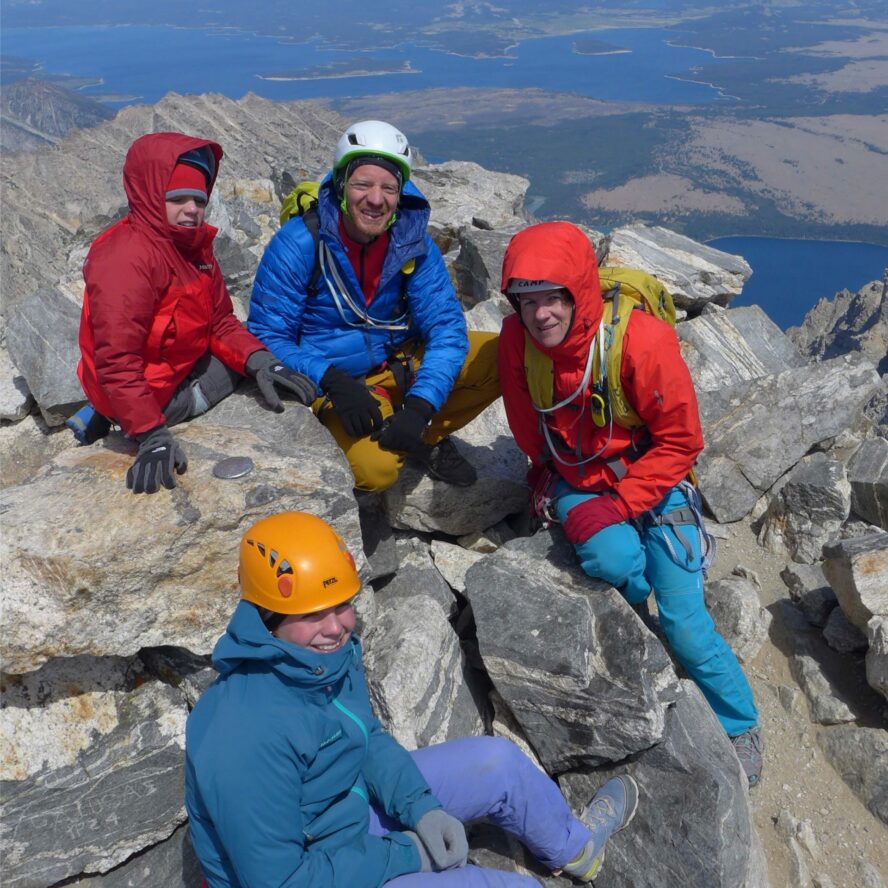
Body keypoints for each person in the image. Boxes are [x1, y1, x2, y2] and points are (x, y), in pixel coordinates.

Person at [185, 511, 640, 887]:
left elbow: (367, 740)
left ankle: (576, 851)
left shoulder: (318, 660)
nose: (336, 627)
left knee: (498, 764)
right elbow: (280, 882)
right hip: (311, 869)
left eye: (342, 604)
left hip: (344, 814)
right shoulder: (242, 731)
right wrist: (405, 854)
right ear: (269, 617)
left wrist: (419, 806)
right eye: (311, 614)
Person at [497, 221, 763, 787]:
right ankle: (646, 606)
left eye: (552, 298)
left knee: (688, 626)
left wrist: (619, 503)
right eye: (527, 302)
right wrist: (556, 486)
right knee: (614, 563)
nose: (540, 314)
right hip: (575, 477)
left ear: (578, 292)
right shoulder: (516, 344)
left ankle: (740, 723)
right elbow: (529, 435)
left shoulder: (642, 340)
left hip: (656, 479)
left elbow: (682, 441)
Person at [247, 120, 500, 492]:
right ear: (340, 184)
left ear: (401, 194)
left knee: (504, 356)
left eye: (389, 188)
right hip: (341, 383)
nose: (376, 199)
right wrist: (330, 381)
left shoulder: (412, 242)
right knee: (374, 472)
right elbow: (267, 336)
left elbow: (445, 328)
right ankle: (385, 433)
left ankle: (423, 438)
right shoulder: (300, 243)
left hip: (400, 360)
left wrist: (421, 407)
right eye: (362, 184)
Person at [73, 131, 315, 494]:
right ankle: (118, 414)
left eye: (198, 199)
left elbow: (218, 320)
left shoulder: (191, 247)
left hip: (161, 370)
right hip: (154, 396)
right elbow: (117, 361)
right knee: (235, 374)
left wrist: (264, 361)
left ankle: (105, 411)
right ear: (151, 196)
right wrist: (151, 434)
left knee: (248, 357)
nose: (192, 209)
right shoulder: (127, 259)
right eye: (177, 198)